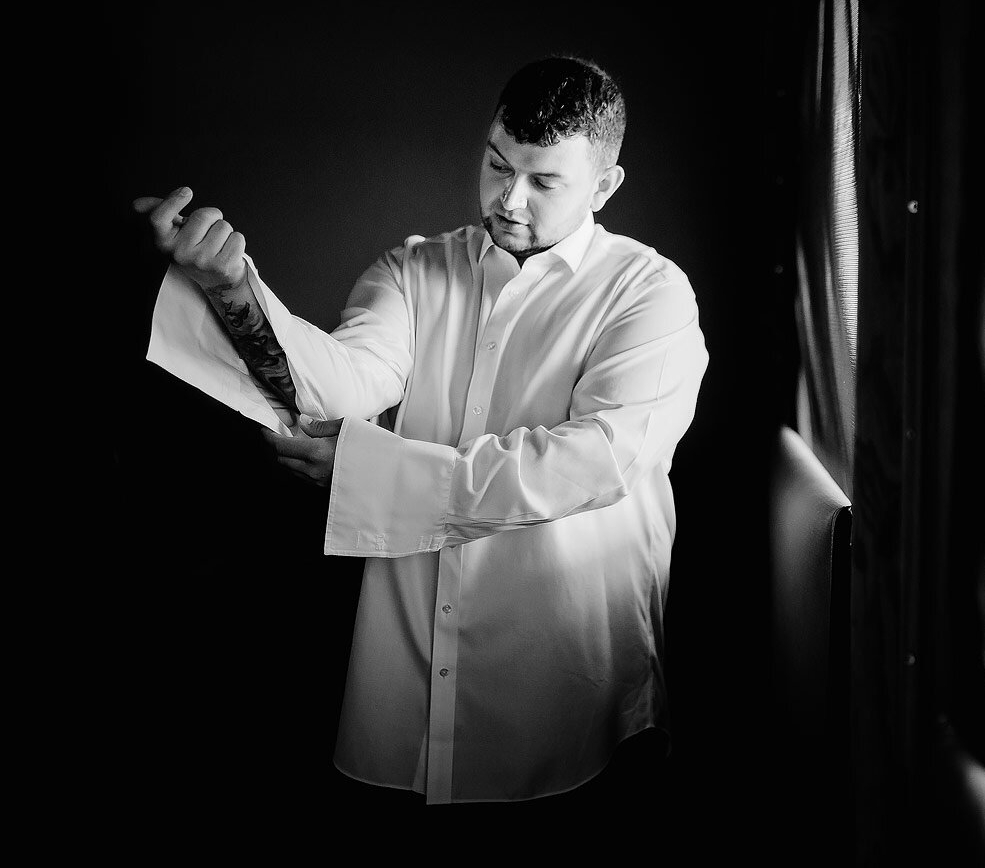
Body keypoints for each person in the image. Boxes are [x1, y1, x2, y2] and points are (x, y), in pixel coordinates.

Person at [136, 57, 708, 820]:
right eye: (498, 164)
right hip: (404, 689)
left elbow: (592, 463)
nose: (508, 199)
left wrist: (371, 473)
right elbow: (338, 388)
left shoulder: (651, 294)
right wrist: (233, 285)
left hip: (572, 692)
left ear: (604, 186)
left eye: (544, 182)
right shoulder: (412, 269)